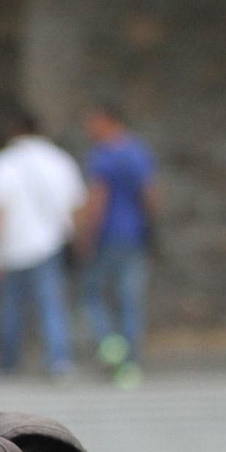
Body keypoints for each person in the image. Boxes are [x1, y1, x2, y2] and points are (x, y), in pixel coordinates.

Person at [0, 109, 86, 376]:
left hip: (12, 245)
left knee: (10, 307)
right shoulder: (61, 161)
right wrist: (76, 238)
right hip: (50, 243)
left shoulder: (2, 163)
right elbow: (76, 205)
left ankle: (8, 360)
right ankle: (59, 359)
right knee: (51, 305)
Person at [78, 102, 159, 387]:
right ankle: (130, 364)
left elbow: (98, 198)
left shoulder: (102, 156)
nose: (89, 129)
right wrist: (151, 227)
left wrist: (86, 234)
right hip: (134, 235)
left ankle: (111, 345)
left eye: (93, 122)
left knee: (92, 293)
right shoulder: (138, 152)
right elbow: (150, 195)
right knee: (129, 299)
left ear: (108, 121)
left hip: (107, 235)